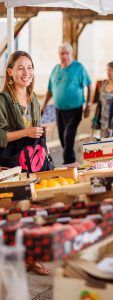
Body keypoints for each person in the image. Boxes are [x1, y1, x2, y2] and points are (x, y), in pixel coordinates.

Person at [0, 50, 50, 276]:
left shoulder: (34, 99)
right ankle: (27, 256)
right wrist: (26, 132)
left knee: (34, 206)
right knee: (19, 208)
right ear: (10, 72)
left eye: (29, 68)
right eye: (20, 68)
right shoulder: (2, 100)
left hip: (33, 163)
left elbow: (35, 138)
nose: (26, 73)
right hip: (9, 165)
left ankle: (30, 253)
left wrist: (39, 133)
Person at [41, 43, 92, 165]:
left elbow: (90, 85)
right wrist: (43, 106)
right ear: (59, 55)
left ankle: (68, 163)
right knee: (63, 137)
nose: (64, 56)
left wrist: (88, 105)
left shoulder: (78, 67)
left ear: (72, 53)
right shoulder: (55, 69)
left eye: (67, 53)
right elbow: (50, 89)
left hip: (75, 109)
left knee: (68, 136)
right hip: (59, 109)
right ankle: (72, 162)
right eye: (62, 53)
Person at [92, 61, 113, 138]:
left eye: (111, 70)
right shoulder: (104, 84)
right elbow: (100, 103)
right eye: (108, 70)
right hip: (103, 123)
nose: (109, 72)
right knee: (104, 146)